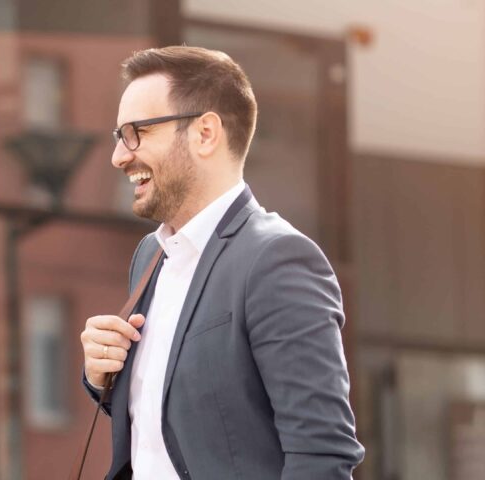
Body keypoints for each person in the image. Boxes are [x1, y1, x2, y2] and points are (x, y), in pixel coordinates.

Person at [80, 46, 364, 479]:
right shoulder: (149, 258)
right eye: (119, 136)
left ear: (205, 133)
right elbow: (182, 419)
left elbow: (321, 453)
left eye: (137, 132)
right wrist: (101, 376)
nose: (120, 156)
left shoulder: (277, 260)